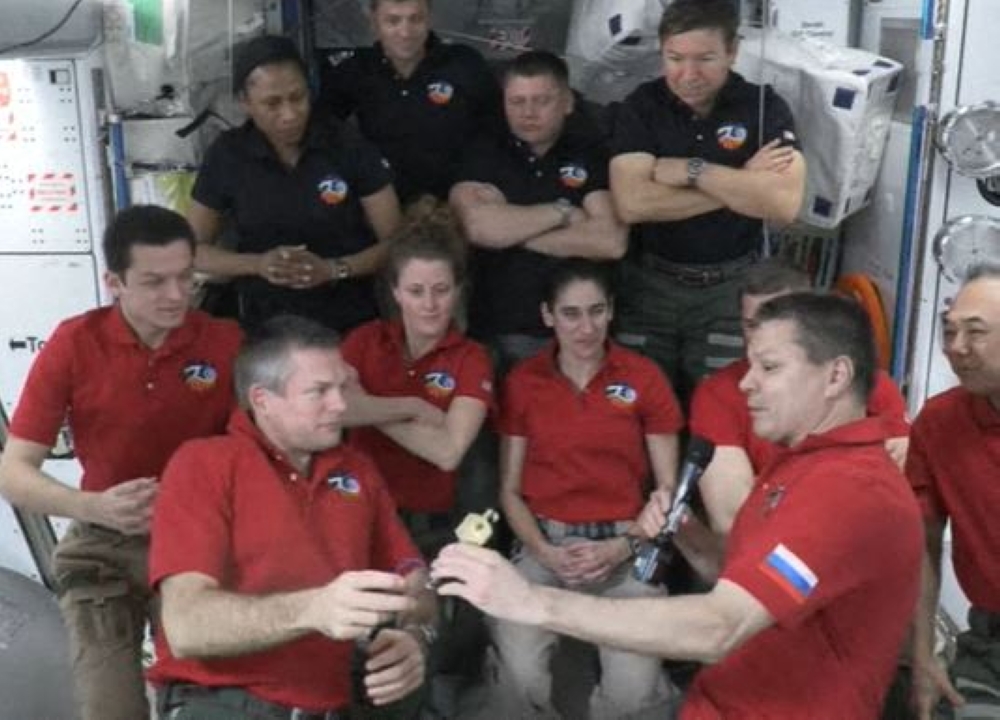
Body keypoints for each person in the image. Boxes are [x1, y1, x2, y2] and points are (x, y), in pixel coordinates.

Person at [433, 293, 924, 719]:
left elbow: (720, 625)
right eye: (750, 365)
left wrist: (531, 602)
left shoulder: (851, 491)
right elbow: (731, 579)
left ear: (836, 375)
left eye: (769, 367)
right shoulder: (801, 467)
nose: (746, 383)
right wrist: (685, 529)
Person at [0, 205, 242, 720]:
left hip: (198, 543)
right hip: (103, 546)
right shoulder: (75, 342)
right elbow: (13, 472)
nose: (176, 296)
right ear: (114, 282)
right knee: (108, 706)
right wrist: (93, 506)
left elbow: (256, 457)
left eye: (185, 278)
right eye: (155, 282)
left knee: (210, 702)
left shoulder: (223, 343)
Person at [148, 315, 435, 718]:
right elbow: (186, 626)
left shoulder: (356, 469)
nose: (340, 404)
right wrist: (313, 609)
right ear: (263, 400)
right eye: (319, 391)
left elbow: (413, 577)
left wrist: (414, 635)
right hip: (221, 705)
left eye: (343, 387)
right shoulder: (204, 464)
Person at [489, 258, 681, 718]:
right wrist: (543, 551)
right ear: (547, 316)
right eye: (571, 314)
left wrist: (624, 545)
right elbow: (509, 492)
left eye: (597, 310)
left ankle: (658, 690)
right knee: (519, 676)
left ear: (611, 311)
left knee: (632, 699)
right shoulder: (524, 382)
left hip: (626, 545)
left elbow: (668, 490)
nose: (585, 326)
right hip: (545, 545)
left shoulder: (644, 376)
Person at [609, 0, 806, 400]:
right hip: (650, 287)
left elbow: (783, 205)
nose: (688, 74)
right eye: (675, 58)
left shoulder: (763, 107)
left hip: (730, 290)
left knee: (724, 406)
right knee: (640, 407)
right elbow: (632, 203)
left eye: (705, 59)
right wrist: (742, 182)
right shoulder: (642, 107)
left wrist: (692, 171)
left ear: (733, 51)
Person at [189, 34, 401, 333]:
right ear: (244, 102)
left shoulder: (347, 145)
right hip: (265, 327)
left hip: (351, 323)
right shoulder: (228, 156)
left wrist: (333, 269)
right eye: (272, 103)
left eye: (297, 97)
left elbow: (398, 243)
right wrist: (258, 265)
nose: (289, 114)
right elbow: (191, 249)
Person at [689, 261, 910, 534]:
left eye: (773, 320)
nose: (759, 335)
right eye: (750, 323)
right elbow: (731, 518)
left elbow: (896, 495)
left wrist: (768, 487)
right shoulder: (719, 394)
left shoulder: (872, 385)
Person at [450, 50, 627, 370]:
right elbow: (476, 227)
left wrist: (511, 229)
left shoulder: (591, 152)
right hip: (493, 332)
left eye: (541, 101)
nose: (528, 112)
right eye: (516, 102)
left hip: (573, 337)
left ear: (568, 103)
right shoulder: (483, 150)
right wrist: (562, 212)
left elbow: (609, 241)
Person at [340, 198, 493, 550]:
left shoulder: (471, 358)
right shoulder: (363, 340)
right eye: (415, 291)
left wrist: (369, 406)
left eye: (441, 290)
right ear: (395, 291)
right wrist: (412, 407)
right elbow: (335, 409)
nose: (429, 305)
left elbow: (448, 452)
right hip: (355, 514)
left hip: (429, 530)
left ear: (458, 291)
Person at [908, 265, 1000, 720]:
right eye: (949, 331)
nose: (956, 349)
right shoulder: (940, 423)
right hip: (989, 640)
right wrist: (923, 656)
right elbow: (922, 544)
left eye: (975, 333)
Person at [318, 0, 503, 203]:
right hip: (383, 206)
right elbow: (322, 132)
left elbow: (498, 130)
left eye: (415, 19)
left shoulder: (464, 63)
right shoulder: (355, 72)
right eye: (393, 21)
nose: (405, 32)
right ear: (374, 23)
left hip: (458, 205)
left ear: (429, 18)